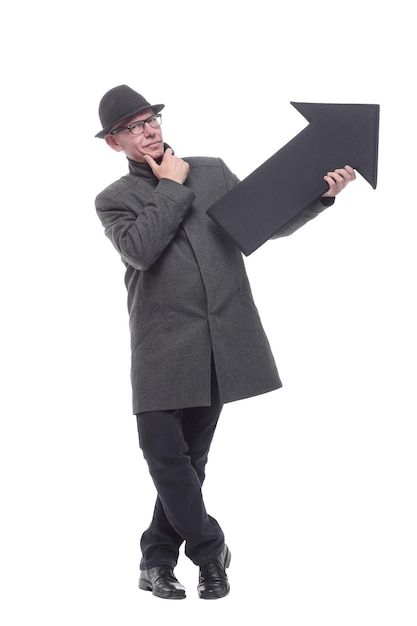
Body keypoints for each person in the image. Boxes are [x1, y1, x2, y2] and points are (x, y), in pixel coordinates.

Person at [94, 84, 356, 600]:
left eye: (151, 120)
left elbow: (259, 226)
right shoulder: (114, 200)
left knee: (190, 461)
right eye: (132, 127)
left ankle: (157, 562)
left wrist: (320, 197)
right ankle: (211, 549)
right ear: (114, 143)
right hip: (160, 346)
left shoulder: (211, 169)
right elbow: (141, 252)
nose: (147, 131)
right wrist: (170, 186)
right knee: (162, 454)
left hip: (220, 339)